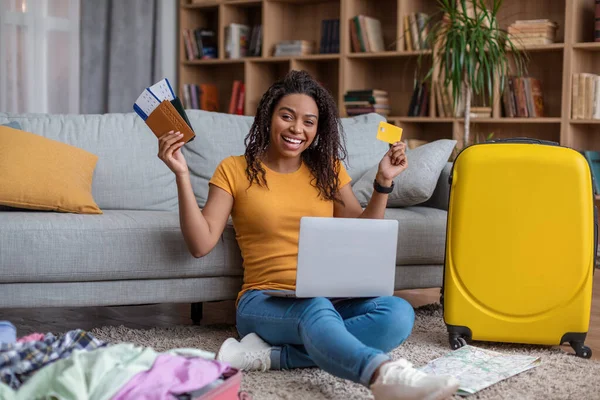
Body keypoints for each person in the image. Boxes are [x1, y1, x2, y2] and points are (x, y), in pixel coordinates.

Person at [157, 70, 459, 400]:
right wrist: (182, 175)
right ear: (268, 117)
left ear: (318, 129)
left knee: (398, 314)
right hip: (264, 301)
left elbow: (364, 235)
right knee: (316, 311)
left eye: (308, 122)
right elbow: (200, 244)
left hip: (330, 298)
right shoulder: (234, 169)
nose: (297, 129)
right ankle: (382, 375)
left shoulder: (328, 170)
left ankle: (271, 357)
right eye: (287, 116)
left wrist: (383, 182)